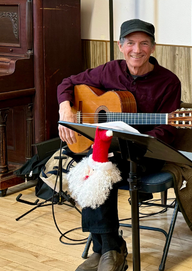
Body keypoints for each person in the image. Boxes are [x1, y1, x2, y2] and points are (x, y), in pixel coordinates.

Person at [57, 19, 181, 271]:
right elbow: (67, 83)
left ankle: (106, 249)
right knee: (95, 164)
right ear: (120, 46)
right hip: (106, 152)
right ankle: (108, 249)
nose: (137, 50)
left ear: (153, 48)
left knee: (100, 168)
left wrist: (134, 142)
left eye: (144, 43)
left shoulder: (168, 82)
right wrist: (65, 109)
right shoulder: (108, 71)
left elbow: (168, 129)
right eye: (131, 43)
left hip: (144, 154)